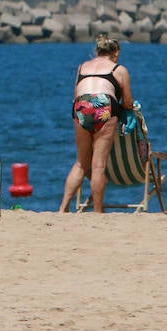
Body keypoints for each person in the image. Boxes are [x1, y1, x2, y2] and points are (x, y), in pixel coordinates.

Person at [58, 35, 134, 213]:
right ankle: (98, 211)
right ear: (115, 53)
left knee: (81, 163)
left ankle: (63, 208)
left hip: (81, 106)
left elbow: (76, 93)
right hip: (104, 105)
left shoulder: (82, 67)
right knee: (98, 165)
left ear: (97, 51)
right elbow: (128, 102)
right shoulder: (119, 69)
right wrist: (126, 110)